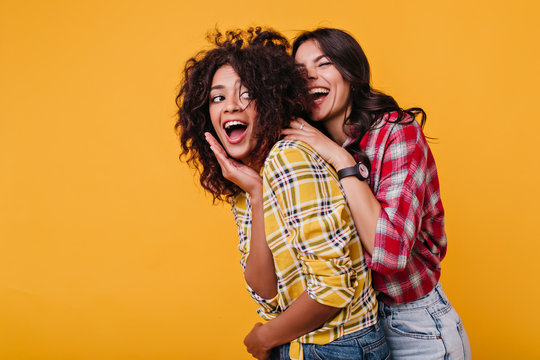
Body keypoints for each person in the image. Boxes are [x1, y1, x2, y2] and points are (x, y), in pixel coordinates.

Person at [175, 28, 389, 360]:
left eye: (246, 94)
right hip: (300, 344)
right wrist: (257, 195)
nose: (231, 106)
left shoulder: (287, 157)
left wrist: (265, 338)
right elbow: (266, 292)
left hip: (338, 347)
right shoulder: (248, 180)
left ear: (270, 101)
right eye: (218, 97)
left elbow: (333, 290)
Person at [281, 28, 471, 359]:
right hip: (350, 330)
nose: (310, 77)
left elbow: (392, 254)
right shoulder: (305, 149)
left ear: (351, 73)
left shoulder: (397, 133)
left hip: (415, 327)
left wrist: (341, 159)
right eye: (299, 72)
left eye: (323, 64)